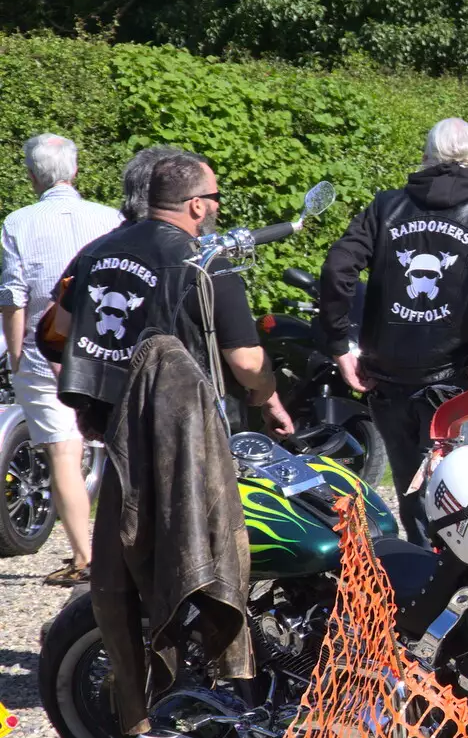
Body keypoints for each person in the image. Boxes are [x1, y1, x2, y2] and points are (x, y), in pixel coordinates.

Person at [320, 117, 468, 544]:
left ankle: (420, 584)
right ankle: (453, 590)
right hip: (458, 375)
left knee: (412, 493)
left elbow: (337, 268)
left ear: (424, 160)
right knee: (460, 496)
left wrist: (338, 344)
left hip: (389, 375)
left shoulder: (385, 206)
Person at [55, 151, 293, 440]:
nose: (217, 206)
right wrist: (265, 390)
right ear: (196, 205)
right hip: (188, 429)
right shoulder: (208, 265)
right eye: (214, 197)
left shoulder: (95, 251)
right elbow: (248, 363)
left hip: (112, 422)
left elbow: (62, 327)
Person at [0, 135, 121, 585]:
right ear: (75, 172)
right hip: (106, 349)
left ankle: (86, 557)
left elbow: (14, 297)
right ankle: (128, 550)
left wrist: (17, 355)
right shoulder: (110, 217)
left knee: (65, 454)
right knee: (119, 446)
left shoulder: (19, 221)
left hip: (42, 348)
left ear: (32, 175)